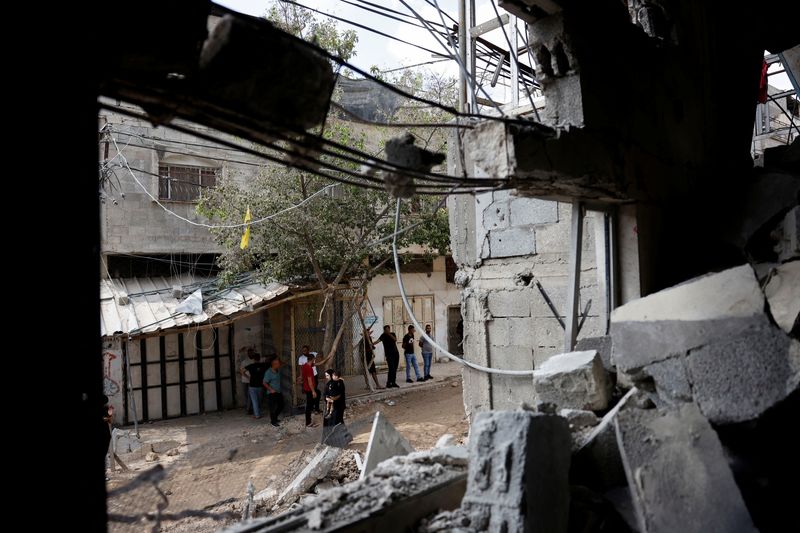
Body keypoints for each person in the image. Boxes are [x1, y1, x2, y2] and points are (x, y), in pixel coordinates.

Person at [297, 345, 322, 414]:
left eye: (305, 350)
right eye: (303, 350)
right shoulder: (302, 360)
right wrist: (301, 376)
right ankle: (312, 408)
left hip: (314, 376)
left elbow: (320, 357)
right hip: (308, 377)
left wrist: (318, 357)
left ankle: (313, 408)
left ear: (308, 350)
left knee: (314, 393)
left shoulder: (313, 354)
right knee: (313, 393)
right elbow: (301, 369)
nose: (304, 352)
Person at [244, 353, 268, 419]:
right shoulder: (263, 365)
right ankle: (258, 412)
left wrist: (248, 377)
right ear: (259, 358)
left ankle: (257, 415)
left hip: (252, 385)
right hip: (260, 385)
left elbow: (242, 371)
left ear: (254, 359)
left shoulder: (251, 366)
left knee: (254, 401)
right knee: (259, 400)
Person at [262, 357, 284, 428]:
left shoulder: (277, 370)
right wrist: (270, 389)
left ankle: (275, 417)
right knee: (272, 408)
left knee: (281, 405)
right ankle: (273, 421)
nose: (279, 365)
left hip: (278, 392)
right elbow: (264, 382)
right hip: (271, 393)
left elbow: (283, 363)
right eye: (278, 364)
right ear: (274, 364)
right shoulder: (268, 372)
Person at [301, 353, 319, 428]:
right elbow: (310, 381)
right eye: (314, 360)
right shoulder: (308, 368)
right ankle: (308, 422)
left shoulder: (305, 365)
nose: (314, 361)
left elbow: (303, 377)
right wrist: (313, 391)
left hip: (306, 388)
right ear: (312, 359)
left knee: (311, 403)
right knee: (309, 406)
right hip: (309, 389)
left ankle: (310, 418)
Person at [239, 347, 255, 414]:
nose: (250, 354)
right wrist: (248, 377)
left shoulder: (255, 360)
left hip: (251, 380)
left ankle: (249, 408)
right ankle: (248, 408)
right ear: (248, 354)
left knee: (250, 395)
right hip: (245, 380)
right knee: (246, 395)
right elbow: (241, 371)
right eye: (249, 353)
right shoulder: (244, 361)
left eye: (251, 353)